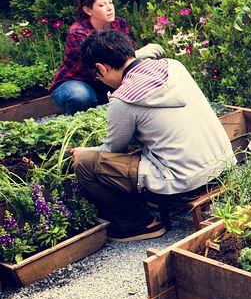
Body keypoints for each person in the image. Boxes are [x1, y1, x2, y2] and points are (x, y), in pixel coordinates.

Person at [68, 29, 236, 242]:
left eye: (96, 75)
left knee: (84, 163)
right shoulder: (174, 67)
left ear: (101, 68)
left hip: (185, 182)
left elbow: (113, 151)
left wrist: (85, 151)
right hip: (223, 163)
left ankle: (139, 223)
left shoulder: (123, 100)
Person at [49, 0, 163, 114]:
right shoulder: (78, 32)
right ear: (87, 10)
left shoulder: (120, 24)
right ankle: (80, 128)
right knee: (80, 96)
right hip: (78, 82)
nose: (110, 8)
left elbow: (128, 63)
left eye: (110, 3)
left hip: (109, 80)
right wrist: (137, 54)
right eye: (102, 5)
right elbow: (99, 62)